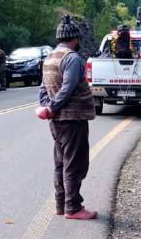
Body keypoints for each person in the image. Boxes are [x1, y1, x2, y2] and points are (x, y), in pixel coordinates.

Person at [36, 15, 98, 220]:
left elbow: (43, 89)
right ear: (75, 39)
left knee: (61, 162)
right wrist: (53, 107)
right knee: (75, 163)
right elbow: (67, 88)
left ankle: (61, 204)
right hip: (72, 119)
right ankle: (73, 207)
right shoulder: (72, 58)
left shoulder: (50, 58)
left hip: (57, 121)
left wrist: (47, 108)